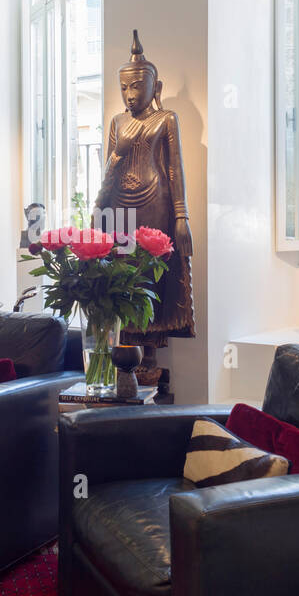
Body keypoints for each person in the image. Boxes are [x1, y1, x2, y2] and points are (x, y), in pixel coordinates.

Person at [94, 31, 194, 385]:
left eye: (138, 86)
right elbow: (109, 167)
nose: (131, 94)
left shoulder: (166, 119)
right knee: (123, 275)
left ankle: (150, 354)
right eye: (125, 88)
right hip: (121, 206)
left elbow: (174, 168)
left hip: (157, 203)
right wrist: (98, 212)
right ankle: (125, 350)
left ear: (156, 85)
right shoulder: (117, 122)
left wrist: (181, 215)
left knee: (153, 276)